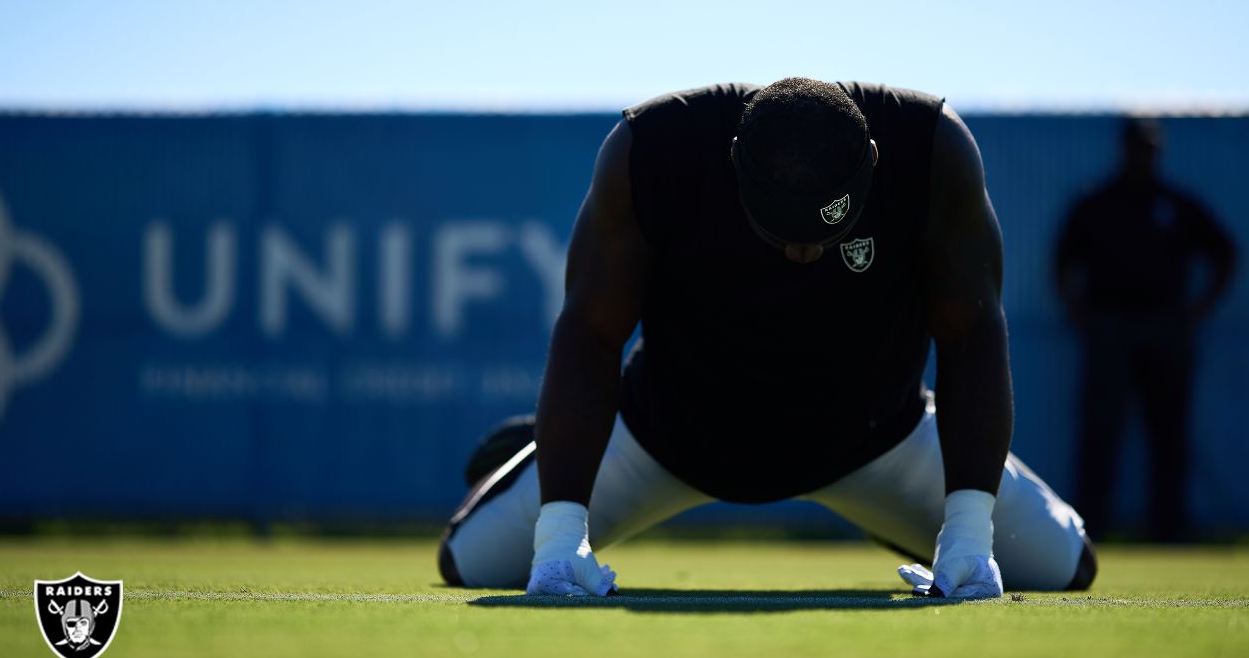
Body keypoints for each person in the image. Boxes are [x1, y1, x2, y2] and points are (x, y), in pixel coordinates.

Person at [439, 78, 1096, 599]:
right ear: (733, 165)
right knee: (467, 566)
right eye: (783, 233)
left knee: (1068, 568)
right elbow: (588, 333)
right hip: (667, 438)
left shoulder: (931, 150)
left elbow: (973, 335)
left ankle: (914, 526)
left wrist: (968, 528)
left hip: (877, 440)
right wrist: (560, 535)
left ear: (873, 163)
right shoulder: (653, 149)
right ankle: (541, 444)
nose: (805, 255)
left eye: (825, 232)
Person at [1055, 118, 1236, 542]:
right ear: (1123, 150)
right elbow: (1062, 264)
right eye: (1137, 148)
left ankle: (1169, 527)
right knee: (1101, 430)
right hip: (1110, 328)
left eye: (1150, 149)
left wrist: (1198, 309)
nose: (1143, 156)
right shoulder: (1097, 203)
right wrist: (1082, 315)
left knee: (1168, 430)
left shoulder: (1176, 204)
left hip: (1165, 328)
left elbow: (1225, 253)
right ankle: (1088, 528)